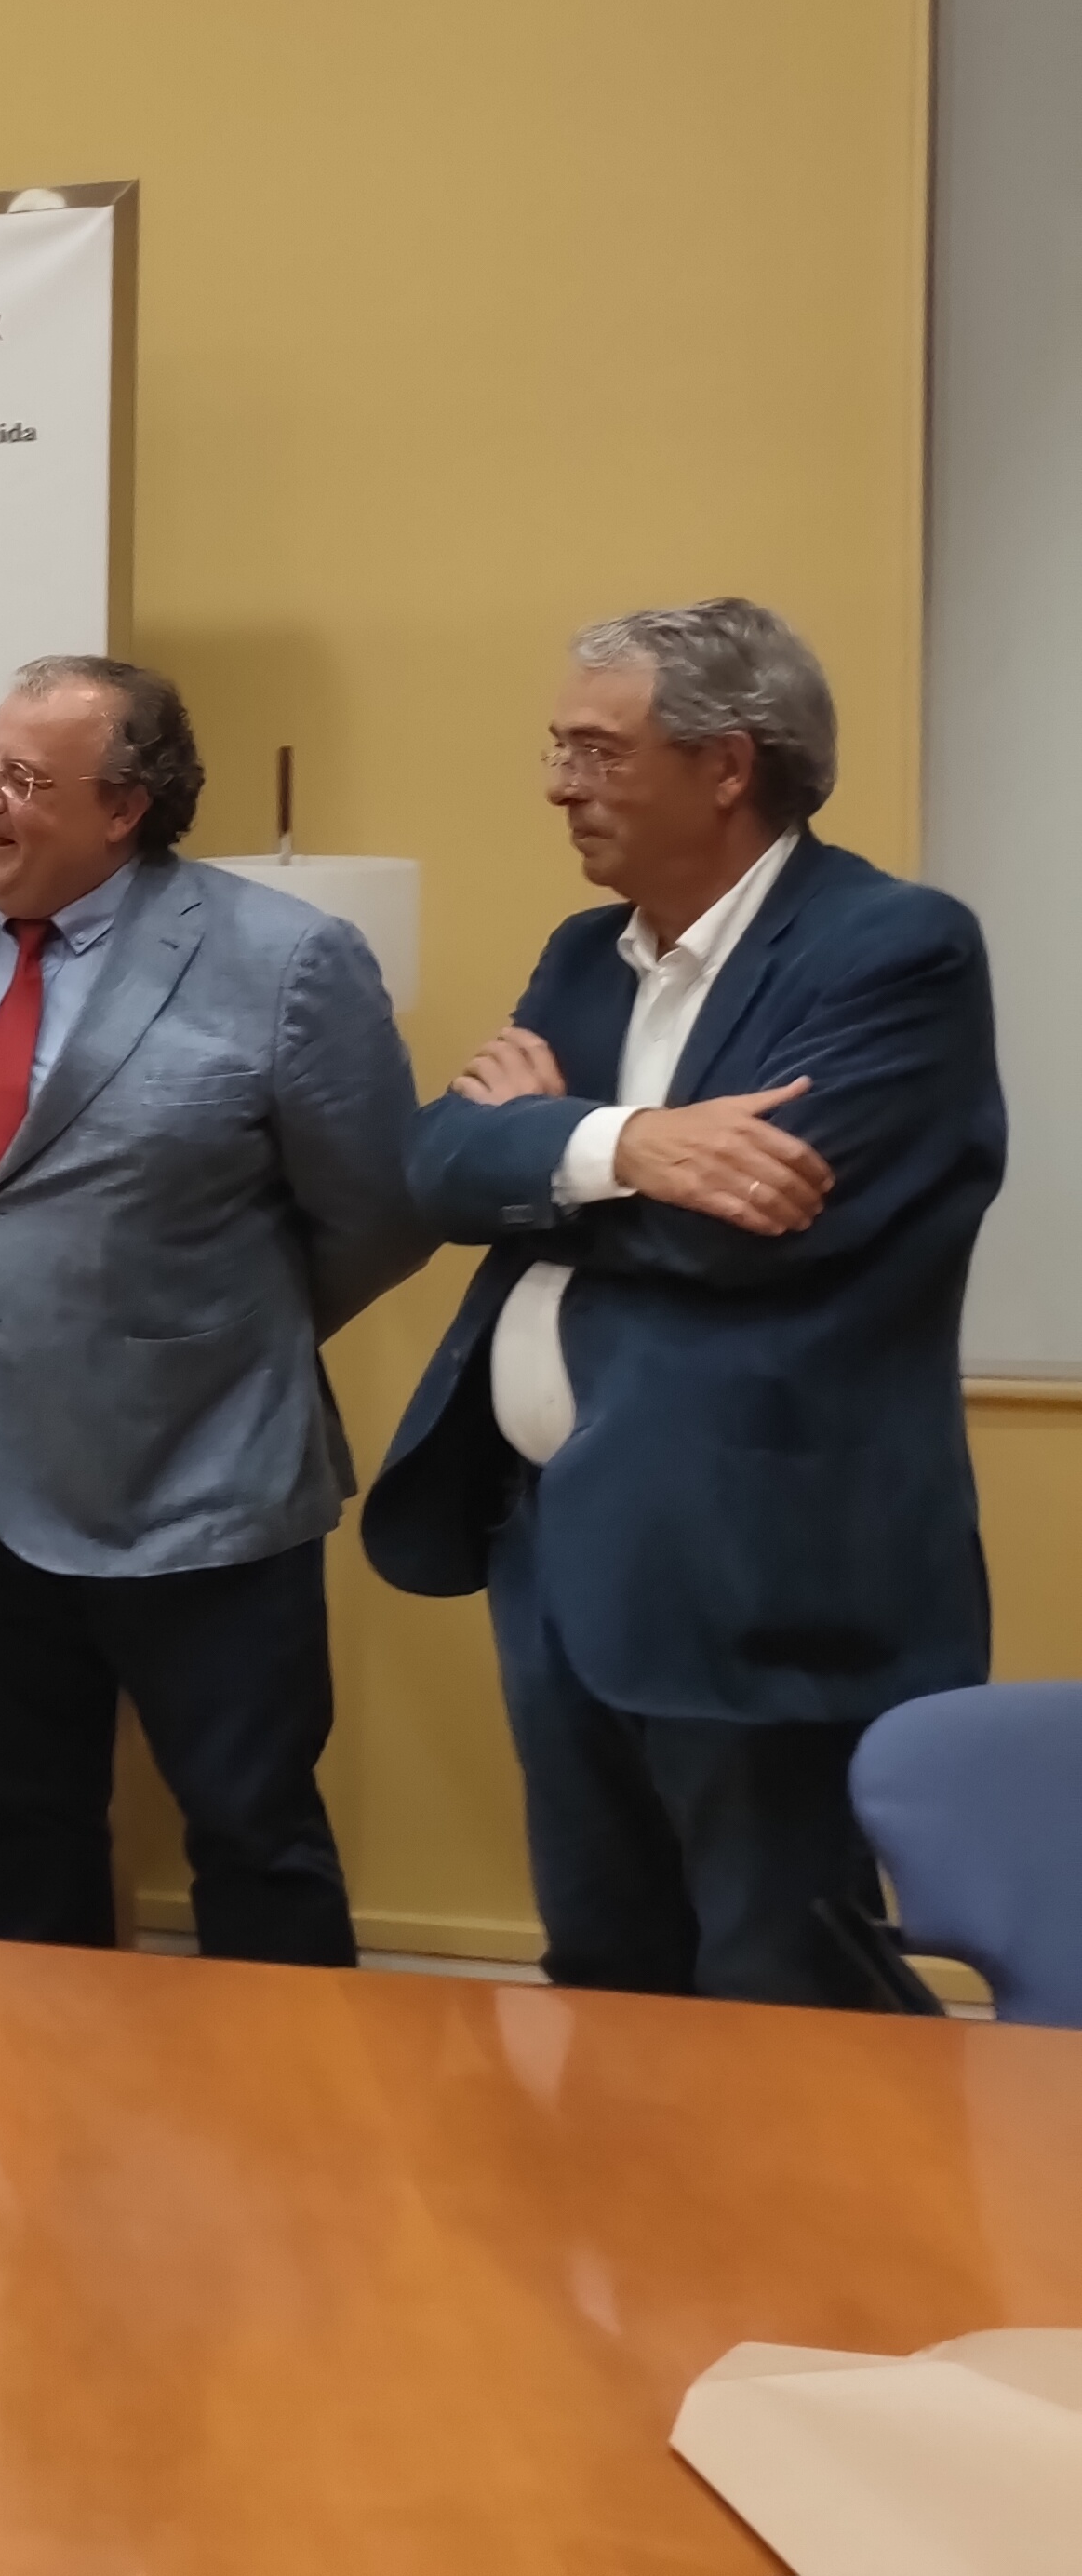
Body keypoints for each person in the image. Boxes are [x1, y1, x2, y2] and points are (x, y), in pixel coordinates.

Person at [366, 601, 999, 2006]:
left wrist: (550, 1152)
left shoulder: (893, 947)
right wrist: (633, 1146)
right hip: (553, 1546)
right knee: (606, 1966)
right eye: (558, 747)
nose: (559, 784)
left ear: (725, 765)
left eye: (598, 749)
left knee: (785, 1982)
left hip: (757, 1564)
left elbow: (758, 1236)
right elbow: (439, 1169)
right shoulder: (584, 954)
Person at [0, 654, 429, 1960]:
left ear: (123, 808)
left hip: (197, 1479)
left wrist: (204, 1338)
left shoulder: (287, 957)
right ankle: (42, 2084)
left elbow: (379, 1211)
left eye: (24, 779)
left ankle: (287, 2090)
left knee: (253, 1836)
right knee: (19, 1825)